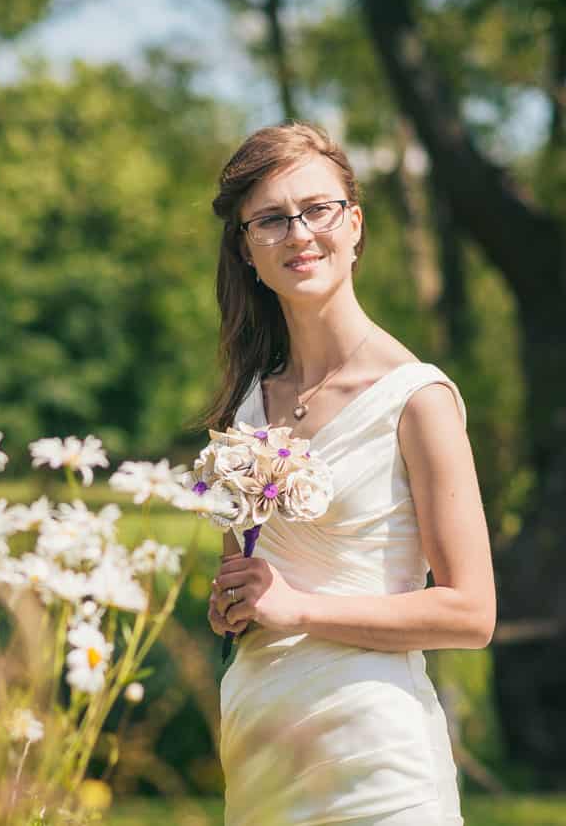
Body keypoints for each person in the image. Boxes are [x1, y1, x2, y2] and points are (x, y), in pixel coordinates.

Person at [201, 122, 496, 826]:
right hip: (263, 757)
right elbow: (256, 582)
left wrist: (298, 608)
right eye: (271, 219)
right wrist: (234, 606)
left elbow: (471, 612)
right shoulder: (249, 400)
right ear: (246, 249)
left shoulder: (417, 398)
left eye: (317, 209)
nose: (298, 233)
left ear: (354, 225)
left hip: (375, 765)